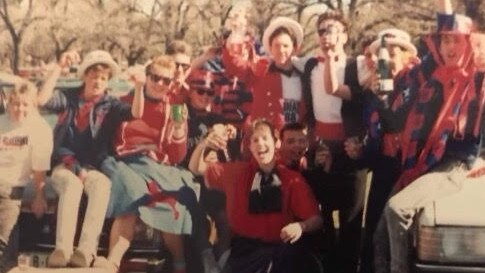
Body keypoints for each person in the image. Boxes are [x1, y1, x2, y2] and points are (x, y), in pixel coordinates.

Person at [374, 0, 485, 272]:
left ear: (468, 44)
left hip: (454, 164)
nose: (450, 47)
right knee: (379, 237)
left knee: (397, 209)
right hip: (424, 161)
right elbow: (397, 112)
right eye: (445, 41)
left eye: (456, 41)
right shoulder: (432, 75)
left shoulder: (479, 78)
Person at [97, 55, 200, 273]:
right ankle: (112, 262)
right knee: (131, 191)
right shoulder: (125, 101)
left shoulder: (175, 107)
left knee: (172, 198)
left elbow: (176, 156)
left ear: (172, 83)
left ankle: (179, 263)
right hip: (124, 161)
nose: (160, 84)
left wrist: (179, 129)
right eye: (155, 78)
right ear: (147, 76)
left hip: (156, 165)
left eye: (166, 80)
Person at [39, 50, 141, 268]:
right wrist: (59, 66)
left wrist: (139, 86)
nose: (98, 81)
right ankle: (63, 249)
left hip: (91, 167)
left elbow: (136, 113)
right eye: (93, 76)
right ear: (84, 76)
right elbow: (42, 99)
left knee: (103, 185)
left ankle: (86, 251)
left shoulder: (110, 104)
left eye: (103, 78)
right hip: (64, 165)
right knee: (72, 185)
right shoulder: (68, 98)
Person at [189, 118, 323, 273]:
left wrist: (301, 226)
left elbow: (316, 219)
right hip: (245, 251)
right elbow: (196, 168)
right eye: (255, 140)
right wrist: (204, 144)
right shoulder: (236, 172)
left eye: (265, 138)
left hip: (281, 249)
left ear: (275, 142)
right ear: (250, 147)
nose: (260, 144)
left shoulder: (291, 178)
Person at [293, 10, 367, 273]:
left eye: (333, 29)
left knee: (350, 219)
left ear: (345, 35)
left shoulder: (357, 65)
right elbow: (279, 57)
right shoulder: (309, 65)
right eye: (322, 30)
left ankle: (348, 268)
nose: (326, 35)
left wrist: (361, 143)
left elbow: (375, 94)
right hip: (321, 147)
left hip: (351, 149)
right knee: (319, 214)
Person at [355, 28, 419, 273]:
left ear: (406, 56)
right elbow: (374, 135)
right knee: (372, 233)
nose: (387, 60)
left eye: (393, 53)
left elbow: (397, 124)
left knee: (398, 236)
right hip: (383, 166)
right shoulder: (375, 89)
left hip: (409, 169)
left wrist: (381, 97)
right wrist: (360, 151)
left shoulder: (416, 85)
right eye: (383, 55)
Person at [0, 80, 53, 273]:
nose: (19, 109)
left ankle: (7, 265)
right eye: (15, 103)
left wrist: (39, 196)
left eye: (25, 104)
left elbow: (39, 169)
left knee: (3, 248)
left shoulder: (40, 129)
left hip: (12, 189)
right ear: (9, 103)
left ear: (33, 105)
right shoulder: (1, 123)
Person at [222, 17, 305, 132]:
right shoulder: (260, 69)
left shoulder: (303, 75)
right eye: (277, 45)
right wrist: (237, 32)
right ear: (270, 48)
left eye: (286, 46)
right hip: (260, 138)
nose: (281, 50)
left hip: (289, 139)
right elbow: (234, 64)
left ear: (295, 49)